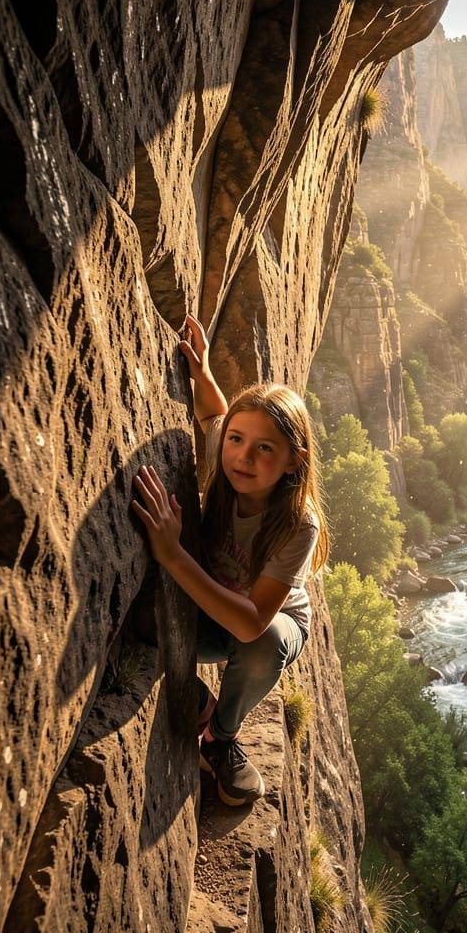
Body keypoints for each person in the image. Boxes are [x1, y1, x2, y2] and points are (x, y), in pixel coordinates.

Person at [131, 314, 328, 805]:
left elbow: (251, 622)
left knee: (265, 642)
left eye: (265, 449)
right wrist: (201, 373)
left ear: (294, 460)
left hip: (264, 623)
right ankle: (199, 701)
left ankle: (221, 736)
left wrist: (173, 555)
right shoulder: (230, 456)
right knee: (143, 622)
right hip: (212, 607)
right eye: (237, 440)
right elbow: (214, 416)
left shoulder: (298, 524)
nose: (243, 456)